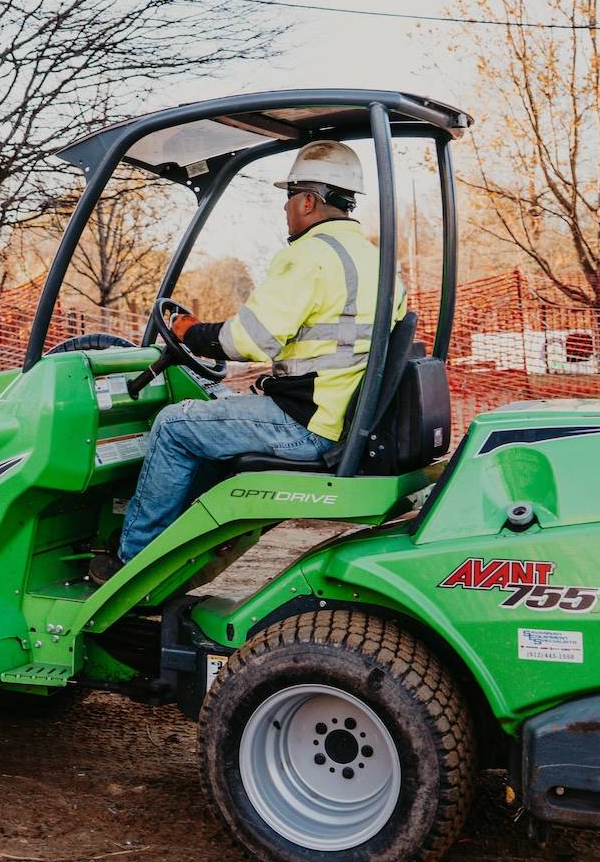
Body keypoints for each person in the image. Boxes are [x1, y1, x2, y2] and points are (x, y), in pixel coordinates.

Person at [89, 140, 407, 584]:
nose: (286, 211)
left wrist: (190, 333)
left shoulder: (310, 255)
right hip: (337, 414)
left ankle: (134, 562)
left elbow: (249, 339)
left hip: (308, 423)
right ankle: (184, 543)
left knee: (172, 425)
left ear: (309, 200)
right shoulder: (376, 261)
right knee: (210, 409)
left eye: (289, 198)